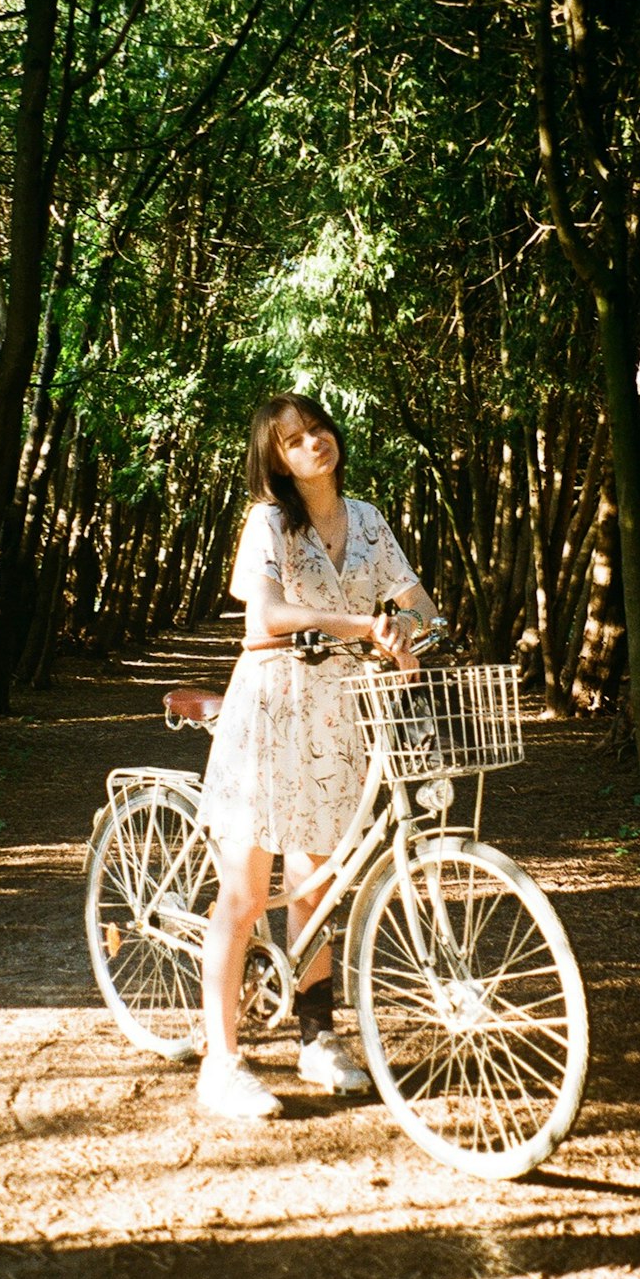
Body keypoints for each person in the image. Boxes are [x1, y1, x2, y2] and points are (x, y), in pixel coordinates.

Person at [195, 391, 440, 1120]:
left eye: (317, 429)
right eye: (294, 439)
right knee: (242, 897)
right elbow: (263, 618)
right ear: (275, 459)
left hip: (342, 719)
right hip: (270, 714)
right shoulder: (268, 522)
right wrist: (366, 624)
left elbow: (417, 601)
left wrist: (410, 634)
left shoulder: (366, 519)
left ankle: (317, 1037)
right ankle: (222, 1062)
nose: (312, 444)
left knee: (315, 887)